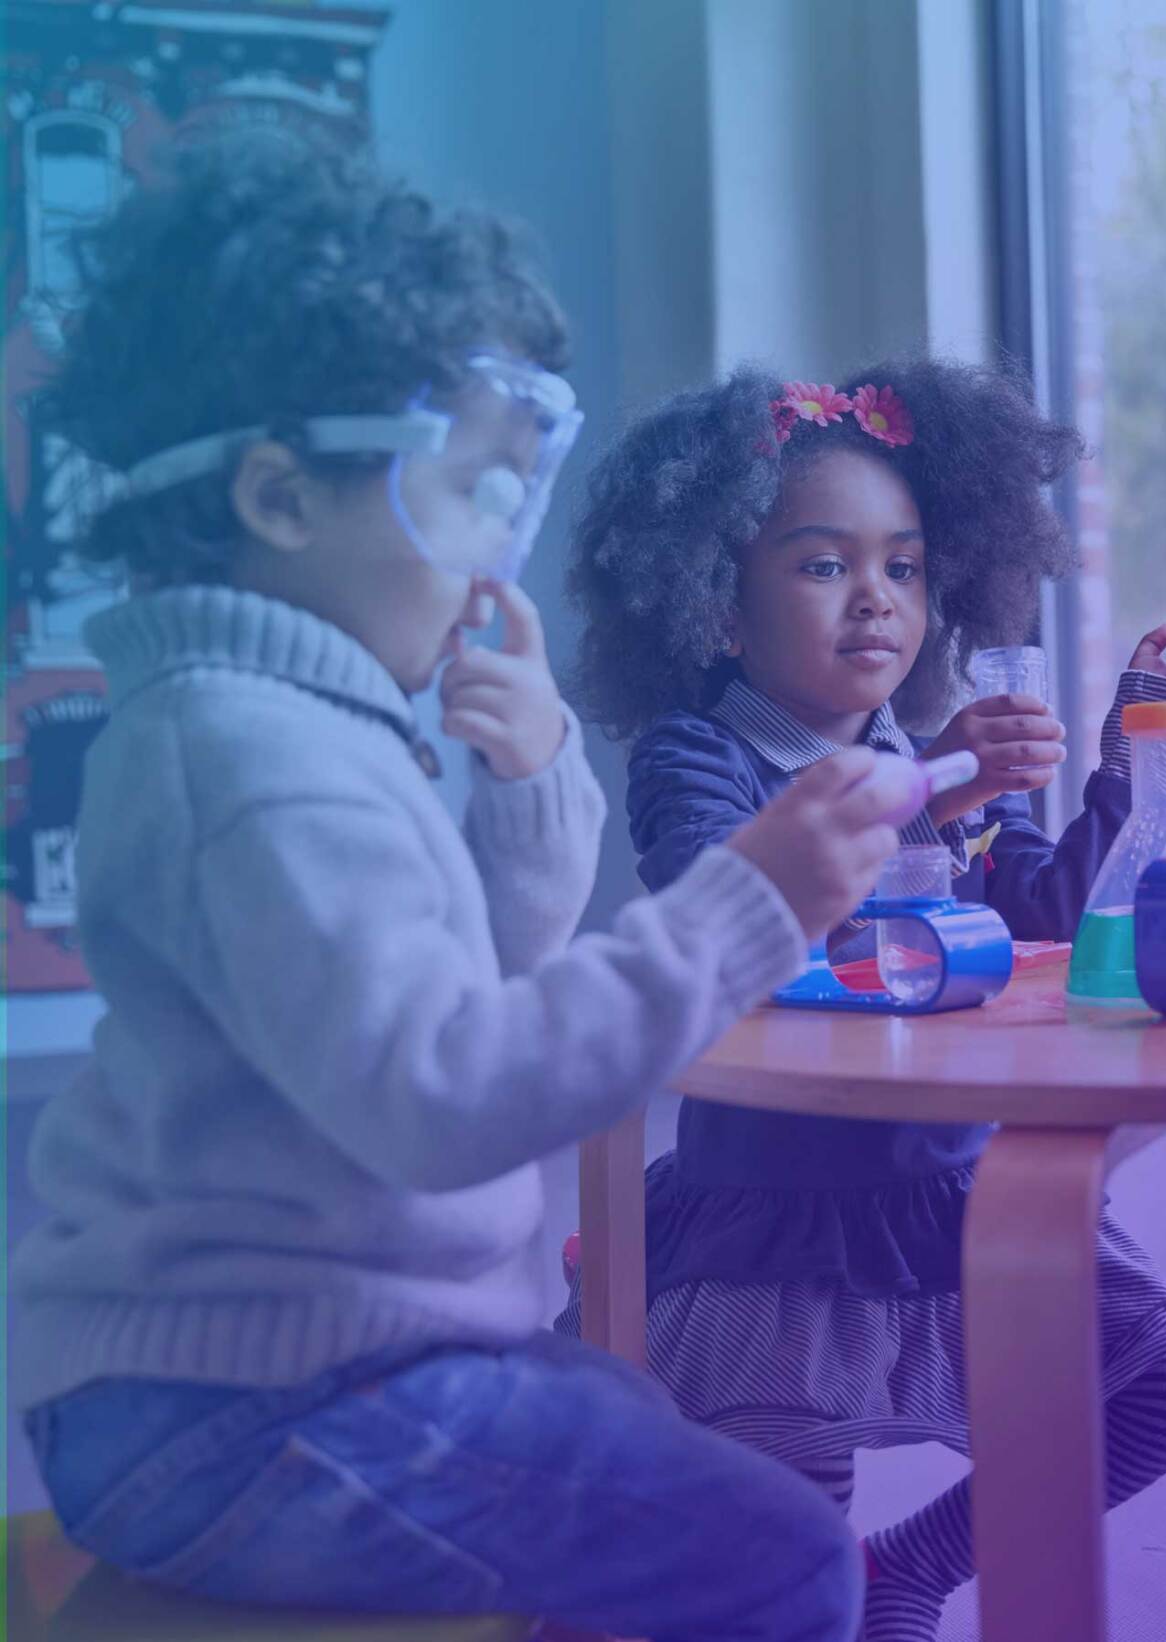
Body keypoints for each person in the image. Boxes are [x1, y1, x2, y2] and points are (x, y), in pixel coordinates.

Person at [10, 131, 898, 1642]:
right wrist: (749, 903)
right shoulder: (254, 758)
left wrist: (537, 768)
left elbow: (487, 976)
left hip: (276, 1373)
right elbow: (447, 1089)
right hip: (247, 1404)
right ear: (283, 497)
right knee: (783, 1554)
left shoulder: (287, 723)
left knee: (636, 1422)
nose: (497, 561)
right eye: (474, 494)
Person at [562, 359, 1166, 1642]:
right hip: (775, 1224)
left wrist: (1133, 744)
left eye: (906, 568)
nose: (877, 599)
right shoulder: (700, 753)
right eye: (822, 566)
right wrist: (942, 790)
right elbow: (734, 906)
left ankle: (908, 1566)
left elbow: (1053, 925)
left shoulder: (920, 758)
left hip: (947, 1200)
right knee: (787, 1573)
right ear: (715, 607)